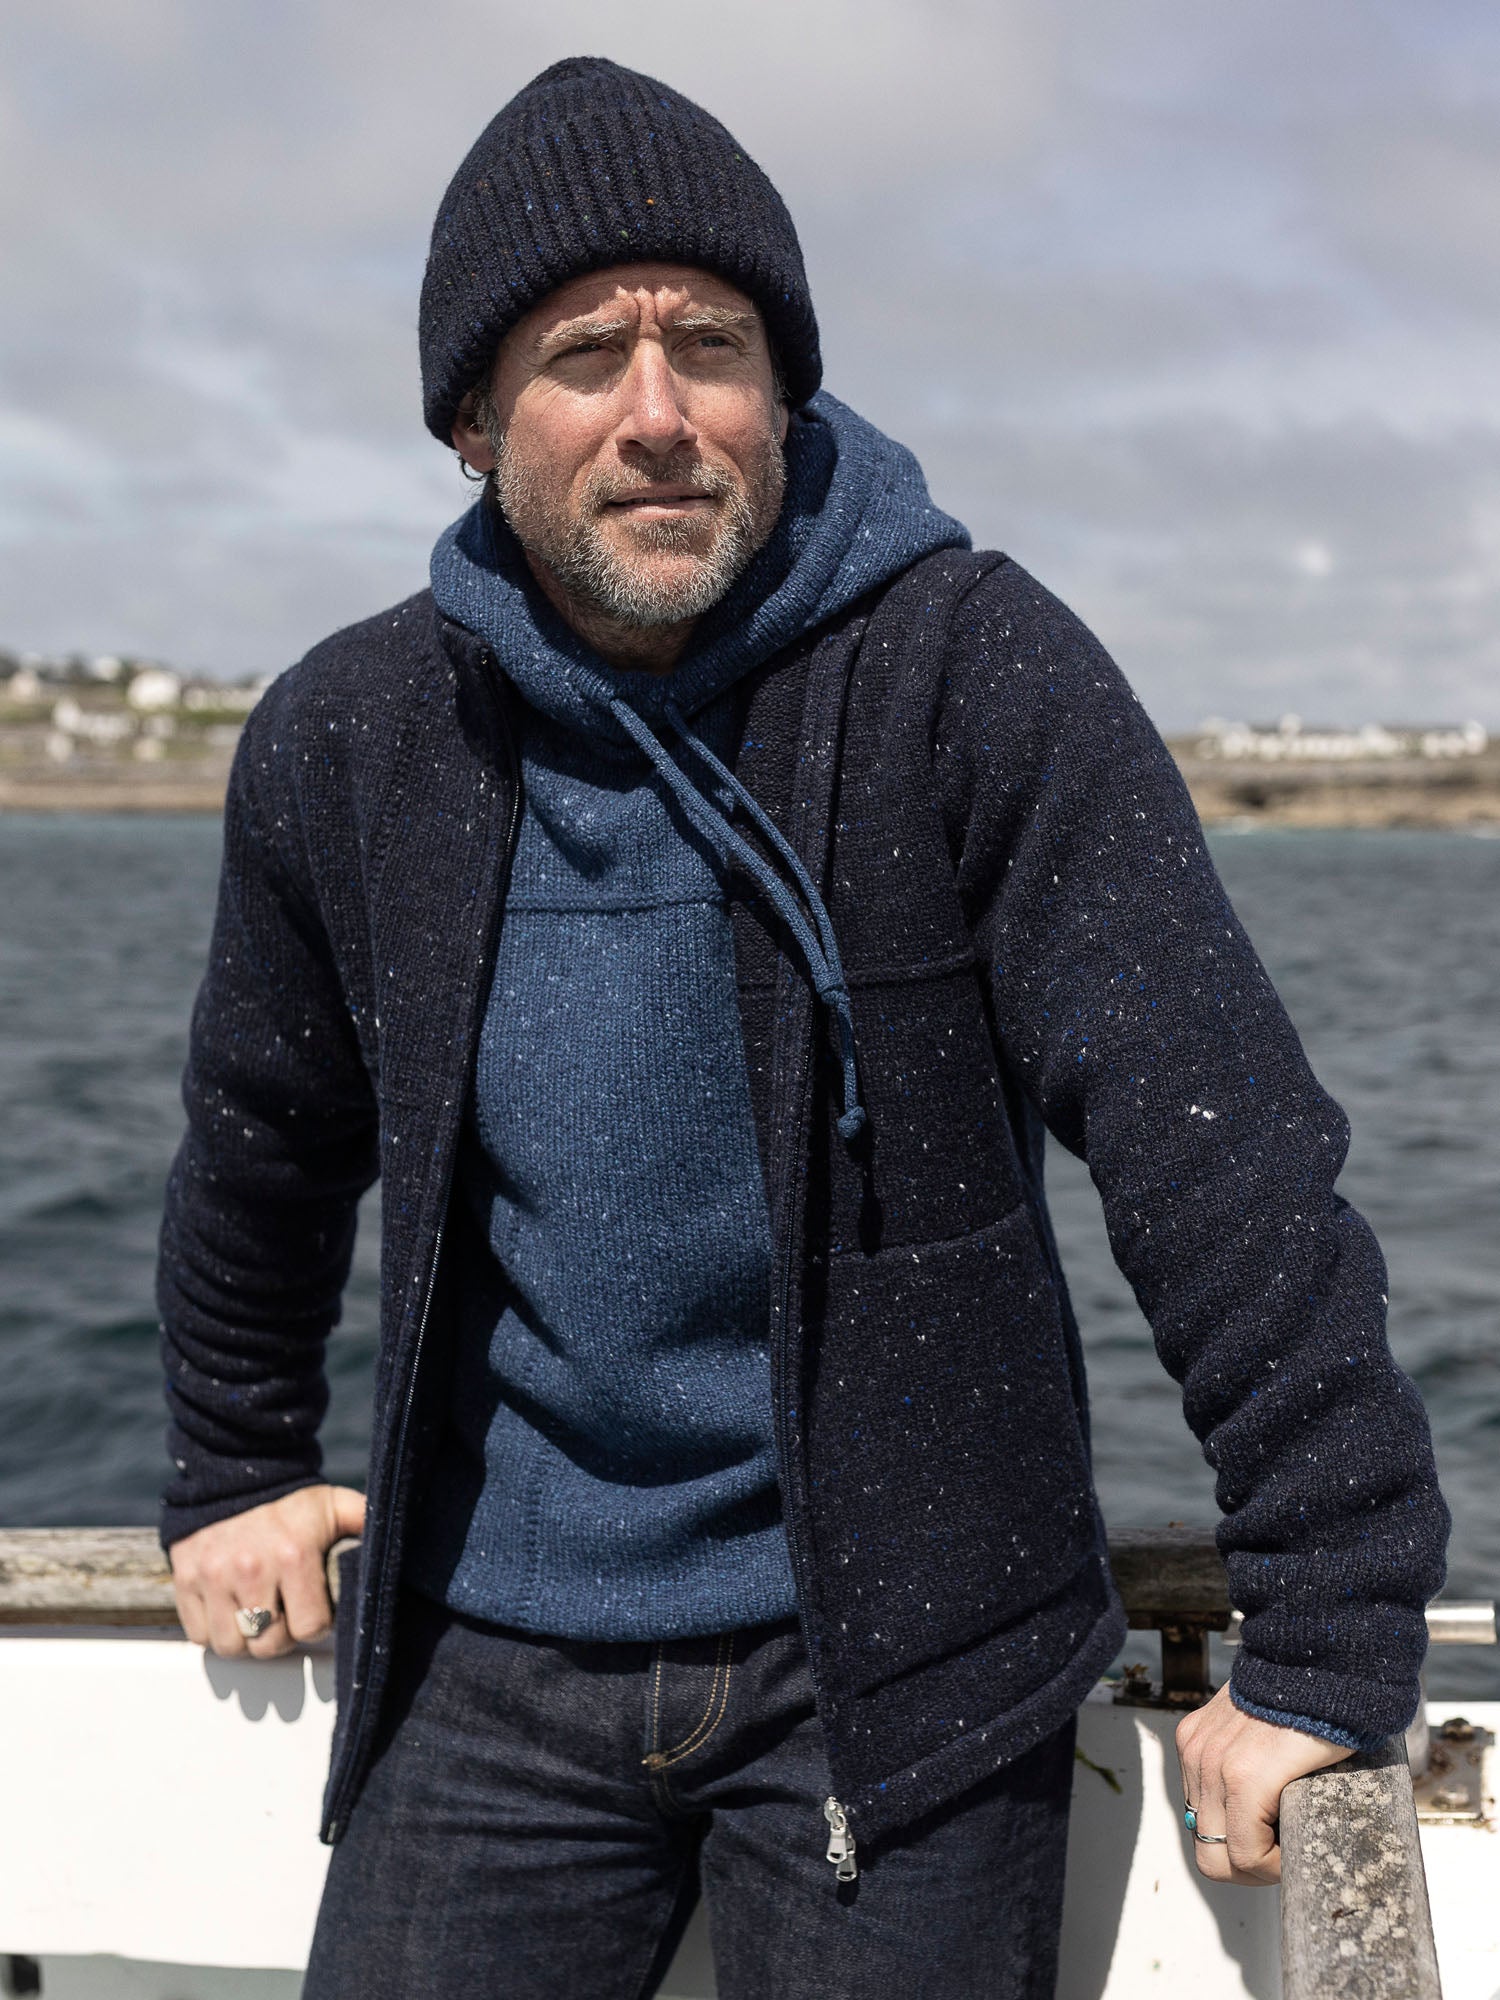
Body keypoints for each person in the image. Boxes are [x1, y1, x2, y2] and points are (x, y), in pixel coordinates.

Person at [157, 57, 1449, 2000]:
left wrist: (1330, 1628)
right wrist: (236, 1457)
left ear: (786, 388)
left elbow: (1216, 1146)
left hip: (910, 1664)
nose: (659, 411)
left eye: (713, 344)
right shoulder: (350, 741)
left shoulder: (974, 670)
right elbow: (262, 1138)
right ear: (470, 423)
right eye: (584, 353)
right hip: (483, 1653)